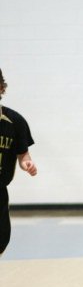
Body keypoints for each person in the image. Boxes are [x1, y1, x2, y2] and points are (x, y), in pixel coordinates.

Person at [0, 68, 37, 256]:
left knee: (1, 243)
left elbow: (23, 155)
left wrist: (27, 164)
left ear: (1, 88)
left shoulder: (15, 121)